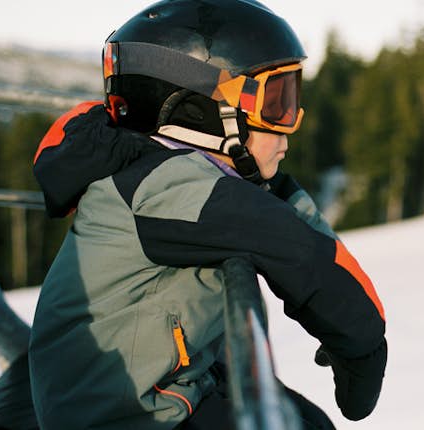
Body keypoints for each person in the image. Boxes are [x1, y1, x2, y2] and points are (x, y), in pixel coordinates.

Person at [28, 1, 387, 429]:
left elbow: (274, 209)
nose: (291, 124)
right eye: (276, 102)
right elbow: (295, 249)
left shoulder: (178, 175)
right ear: (200, 110)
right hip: (122, 416)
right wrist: (363, 352)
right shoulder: (163, 188)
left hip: (163, 391)